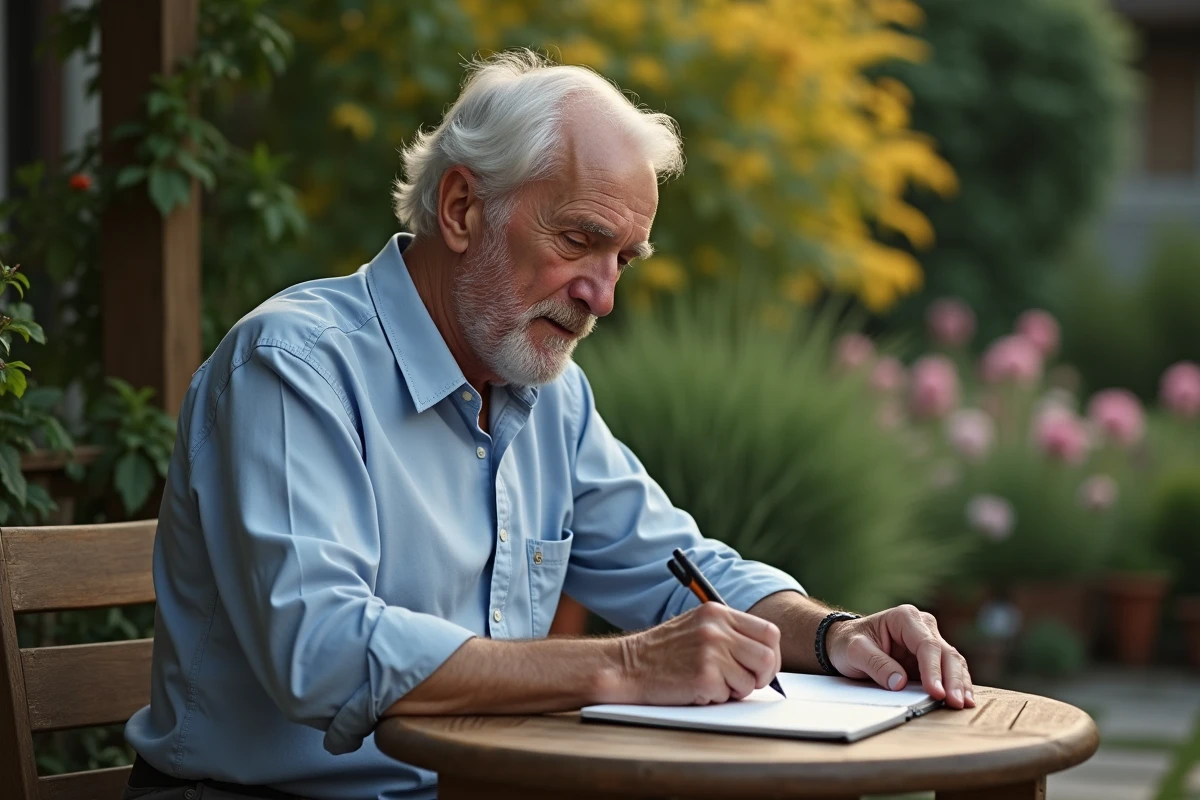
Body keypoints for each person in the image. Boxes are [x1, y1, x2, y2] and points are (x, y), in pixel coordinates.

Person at [123, 49, 973, 800]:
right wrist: (630, 665)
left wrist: (833, 634)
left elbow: (681, 572)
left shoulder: (548, 395)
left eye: (622, 261)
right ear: (462, 208)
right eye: (578, 240)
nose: (602, 296)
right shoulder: (293, 367)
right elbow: (323, 653)